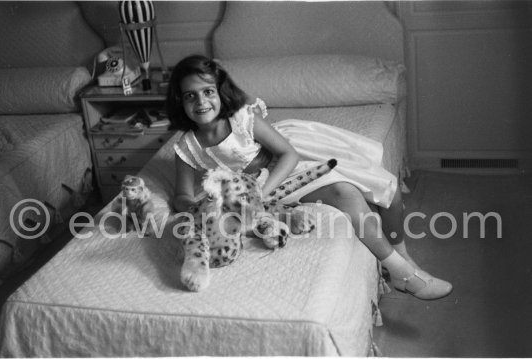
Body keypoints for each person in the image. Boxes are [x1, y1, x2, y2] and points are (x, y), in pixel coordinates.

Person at [166, 54, 452, 300]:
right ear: (180, 101)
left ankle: (404, 260)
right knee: (347, 196)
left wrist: (263, 193)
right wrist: (199, 206)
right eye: (190, 95)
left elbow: (288, 155)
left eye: (207, 92)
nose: (201, 102)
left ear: (219, 92)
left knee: (382, 188)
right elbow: (182, 195)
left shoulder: (241, 120)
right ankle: (402, 275)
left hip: (282, 168)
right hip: (246, 192)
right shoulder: (187, 147)